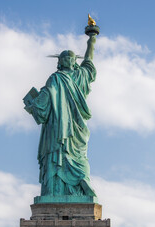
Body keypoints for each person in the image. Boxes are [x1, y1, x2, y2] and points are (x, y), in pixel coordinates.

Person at [25, 34, 97, 197]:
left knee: (57, 157)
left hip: (57, 131)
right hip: (73, 130)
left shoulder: (55, 79)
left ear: (60, 62)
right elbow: (89, 62)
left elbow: (41, 106)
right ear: (74, 62)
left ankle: (53, 190)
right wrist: (92, 39)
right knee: (77, 158)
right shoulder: (79, 77)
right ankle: (79, 183)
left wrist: (32, 106)